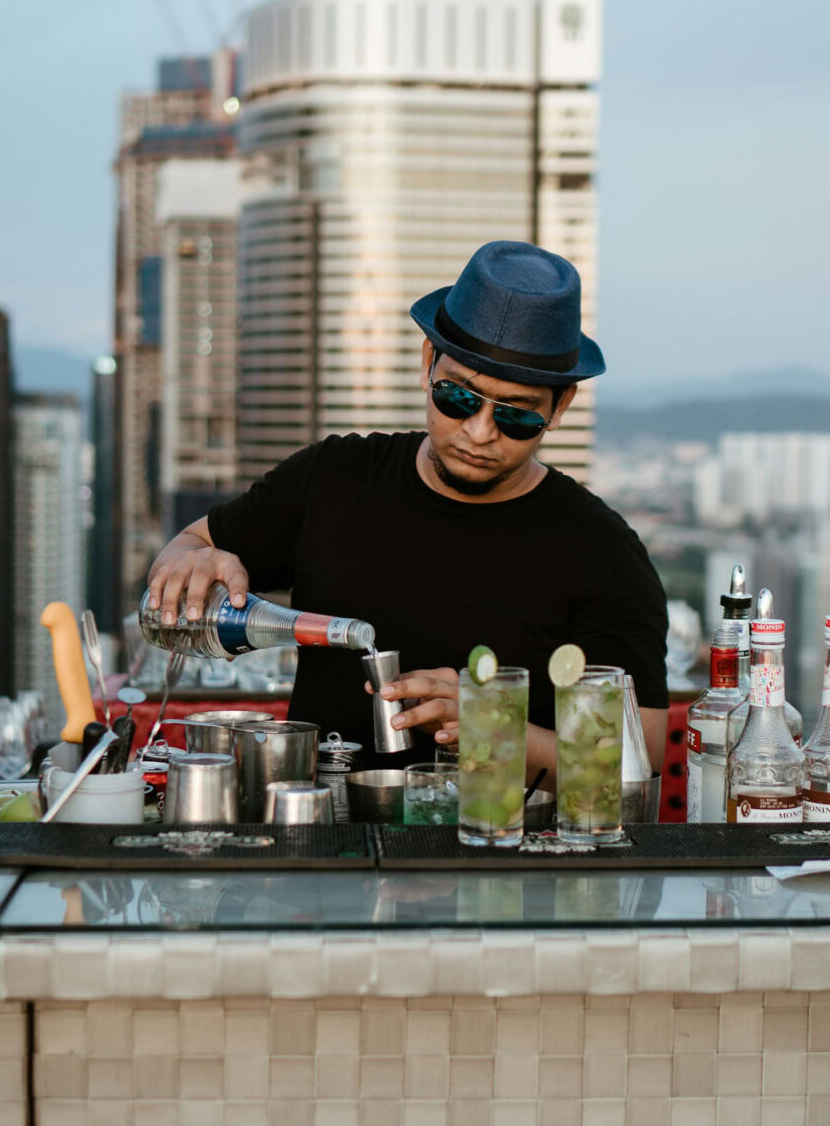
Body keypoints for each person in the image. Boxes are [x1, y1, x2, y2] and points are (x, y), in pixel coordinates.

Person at [147, 240, 669, 781]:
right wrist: (191, 562)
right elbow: (190, 545)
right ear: (427, 364)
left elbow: (639, 758)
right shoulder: (333, 477)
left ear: (560, 408)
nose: (479, 432)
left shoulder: (602, 552)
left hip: (506, 853)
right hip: (321, 838)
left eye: (517, 417)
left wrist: (494, 726)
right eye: (459, 398)